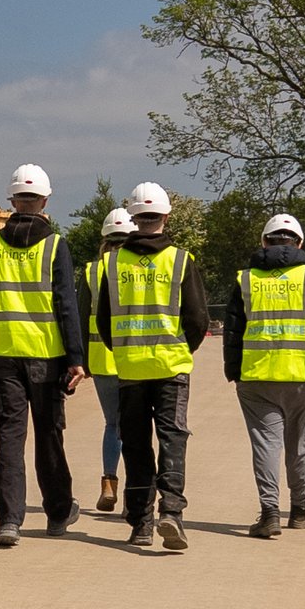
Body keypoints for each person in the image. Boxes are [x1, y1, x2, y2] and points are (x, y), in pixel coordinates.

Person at [0, 163, 84, 547]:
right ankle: (57, 513)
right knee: (49, 437)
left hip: (4, 356)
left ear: (14, 201)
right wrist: (75, 357)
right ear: (45, 200)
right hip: (46, 358)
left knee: (10, 439)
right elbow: (66, 305)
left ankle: (9, 521)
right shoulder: (54, 246)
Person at [96, 182, 209, 549]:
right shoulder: (180, 260)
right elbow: (197, 319)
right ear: (165, 215)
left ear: (133, 217)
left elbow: (102, 318)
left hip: (129, 368)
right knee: (173, 438)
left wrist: (125, 349)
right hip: (171, 367)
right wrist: (180, 349)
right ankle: (171, 513)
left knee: (136, 444)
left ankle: (141, 523)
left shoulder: (112, 262)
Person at [223, 214, 305, 538]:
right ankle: (301, 508)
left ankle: (269, 513)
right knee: (298, 444)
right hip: (302, 378)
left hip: (256, 378)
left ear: (264, 242)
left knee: (266, 444)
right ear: (299, 243)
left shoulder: (246, 280)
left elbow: (233, 331)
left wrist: (232, 370)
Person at [77, 208, 137, 512]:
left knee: (113, 424)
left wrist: (81, 362)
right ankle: (134, 497)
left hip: (101, 360)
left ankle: (109, 484)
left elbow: (79, 316)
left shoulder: (91, 271)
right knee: (137, 427)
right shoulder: (138, 268)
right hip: (136, 359)